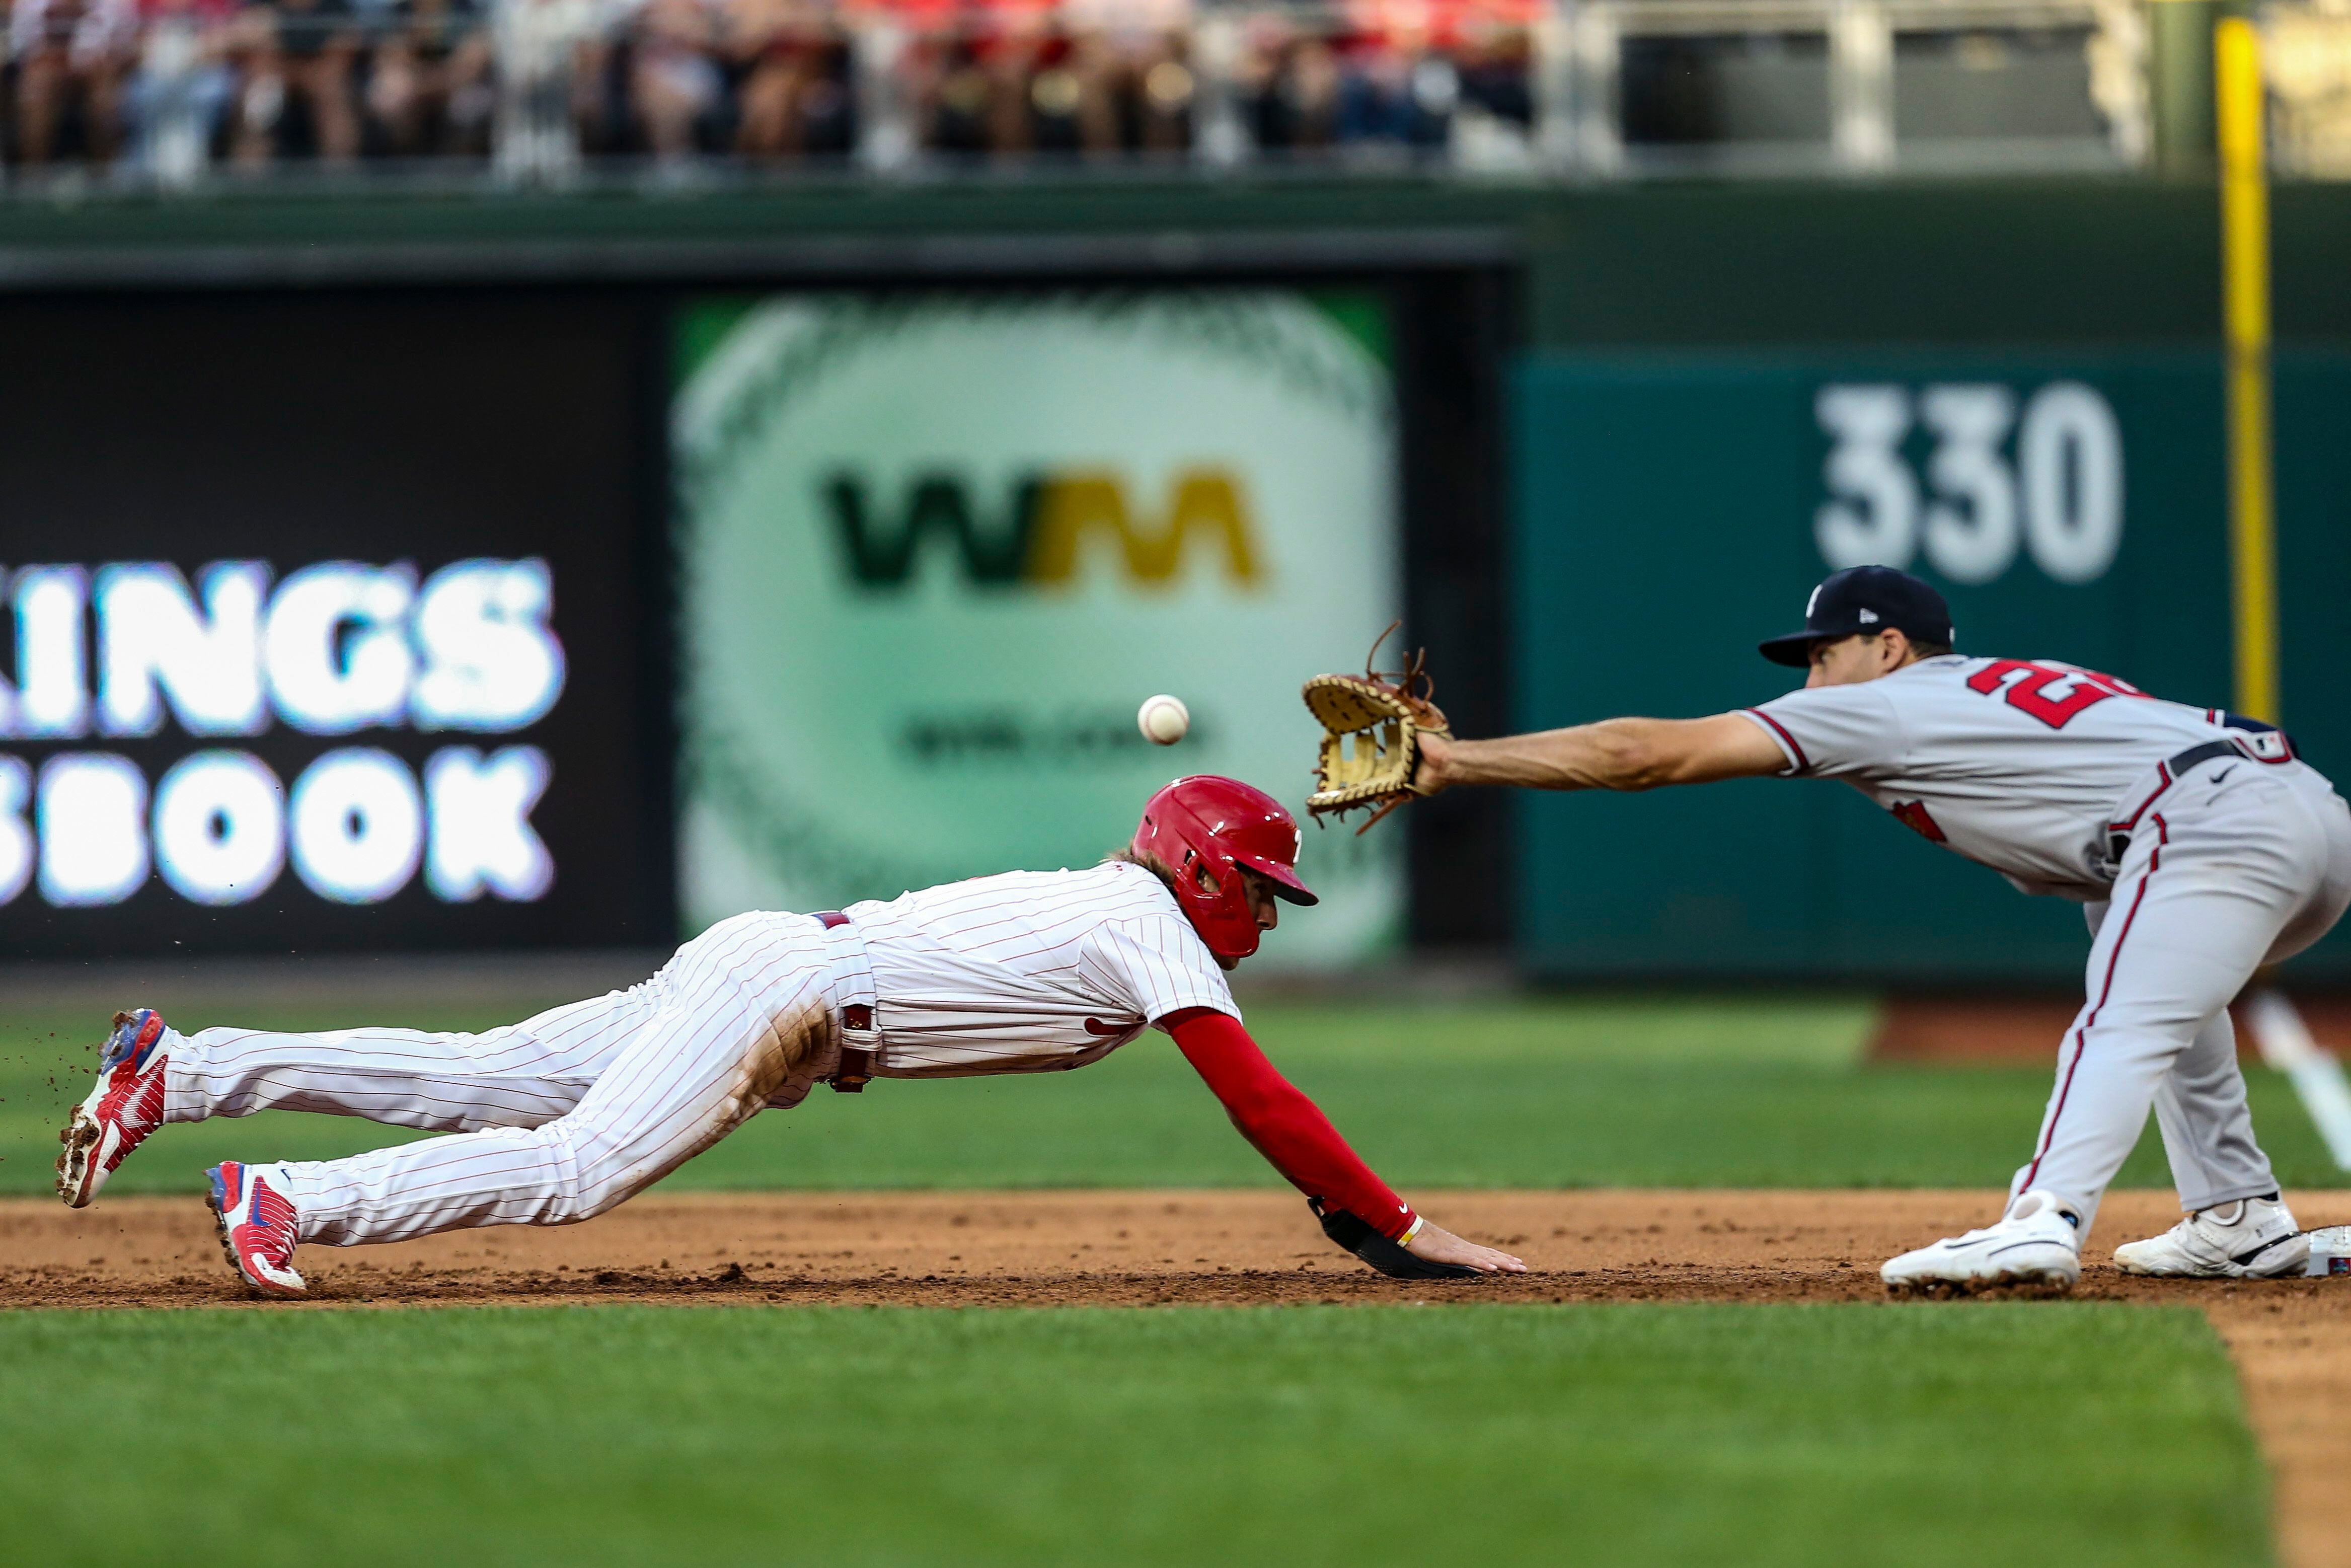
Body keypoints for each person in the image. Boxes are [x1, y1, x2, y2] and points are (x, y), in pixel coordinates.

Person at [57, 775, 1525, 1296]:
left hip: (789, 978)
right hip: (791, 990)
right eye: (1256, 887)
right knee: (574, 1164)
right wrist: (1394, 1215)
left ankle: (179, 1069)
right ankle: (291, 1198)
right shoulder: (1146, 924)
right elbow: (1259, 1101)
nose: (1265, 915)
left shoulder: (1109, 905)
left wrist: (821, 1047)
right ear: (1199, 866)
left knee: (487, 1072)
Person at [1412, 564, 2351, 1293]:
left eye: (1823, 655)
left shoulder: (1887, 705)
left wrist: (1457, 762)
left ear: (1890, 647)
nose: (1812, 678)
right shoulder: (1998, 688)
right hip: (2298, 814)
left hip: (2211, 822)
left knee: (2124, 1014)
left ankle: (2044, 1218)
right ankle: (2235, 1218)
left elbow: (1640, 754)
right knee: (2145, 966)